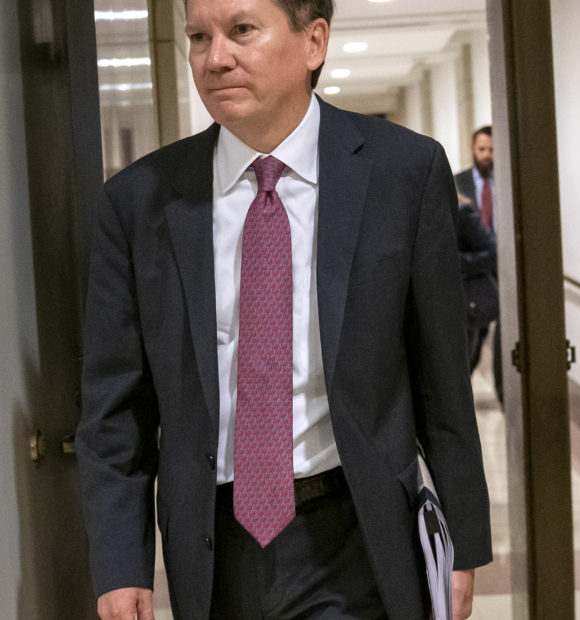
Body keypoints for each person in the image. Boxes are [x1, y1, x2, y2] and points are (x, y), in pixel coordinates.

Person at [76, 0, 492, 618]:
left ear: (313, 42)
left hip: (357, 530)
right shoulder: (138, 202)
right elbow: (114, 409)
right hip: (215, 545)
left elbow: (441, 378)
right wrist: (118, 563)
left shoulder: (403, 172)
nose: (215, 58)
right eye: (198, 37)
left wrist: (464, 540)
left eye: (241, 30)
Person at [454, 127, 502, 403]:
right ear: (473, 149)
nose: (486, 156)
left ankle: (503, 393)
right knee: (474, 332)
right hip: (472, 278)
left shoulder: (506, 181)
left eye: (492, 150)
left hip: (496, 265)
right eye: (482, 150)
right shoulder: (458, 184)